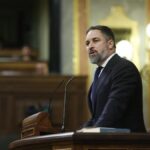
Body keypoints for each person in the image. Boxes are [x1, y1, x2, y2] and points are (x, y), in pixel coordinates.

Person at [83, 25, 146, 132]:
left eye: (95, 40)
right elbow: (96, 117)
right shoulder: (100, 72)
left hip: (127, 143)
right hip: (107, 140)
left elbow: (114, 109)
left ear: (110, 44)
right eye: (87, 43)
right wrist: (81, 131)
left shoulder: (124, 68)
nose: (90, 46)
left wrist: (92, 133)